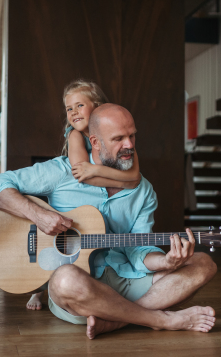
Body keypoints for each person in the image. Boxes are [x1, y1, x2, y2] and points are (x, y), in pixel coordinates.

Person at [0, 103, 217, 340]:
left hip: (125, 278)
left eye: (132, 136)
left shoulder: (143, 190)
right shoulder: (63, 172)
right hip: (81, 288)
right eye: (118, 138)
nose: (129, 145)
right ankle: (160, 319)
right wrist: (38, 215)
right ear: (95, 142)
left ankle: (116, 320)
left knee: (203, 264)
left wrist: (166, 261)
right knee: (65, 280)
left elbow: (137, 249)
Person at [27, 79, 141, 311]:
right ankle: (37, 291)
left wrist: (98, 169)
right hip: (80, 188)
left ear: (97, 106)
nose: (73, 112)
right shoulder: (75, 135)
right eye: (69, 108)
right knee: (55, 245)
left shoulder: (121, 136)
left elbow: (136, 176)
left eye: (79, 105)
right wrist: (118, 178)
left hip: (96, 177)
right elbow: (83, 174)